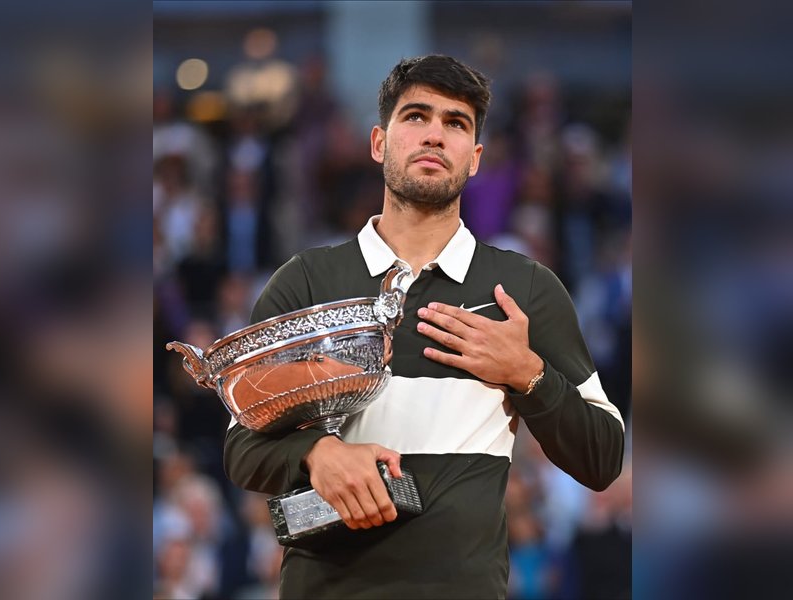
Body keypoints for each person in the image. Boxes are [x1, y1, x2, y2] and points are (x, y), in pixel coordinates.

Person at [223, 54, 624, 599]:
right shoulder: (307, 280)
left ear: (475, 157)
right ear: (378, 143)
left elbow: (603, 458)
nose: (435, 135)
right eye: (415, 116)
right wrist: (317, 453)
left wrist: (527, 374)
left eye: (455, 123)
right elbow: (241, 446)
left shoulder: (524, 289)